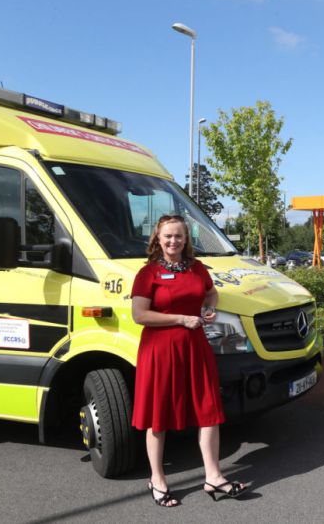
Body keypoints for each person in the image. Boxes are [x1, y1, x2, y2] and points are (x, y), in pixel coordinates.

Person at [131, 215, 247, 507]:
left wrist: (209, 309)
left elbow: (211, 293)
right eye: (168, 236)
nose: (173, 241)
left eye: (179, 236)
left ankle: (214, 477)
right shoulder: (148, 274)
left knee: (209, 411)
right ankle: (157, 479)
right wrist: (181, 318)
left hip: (195, 347)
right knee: (159, 416)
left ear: (186, 239)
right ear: (157, 238)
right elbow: (140, 315)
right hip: (160, 350)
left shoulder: (196, 268)